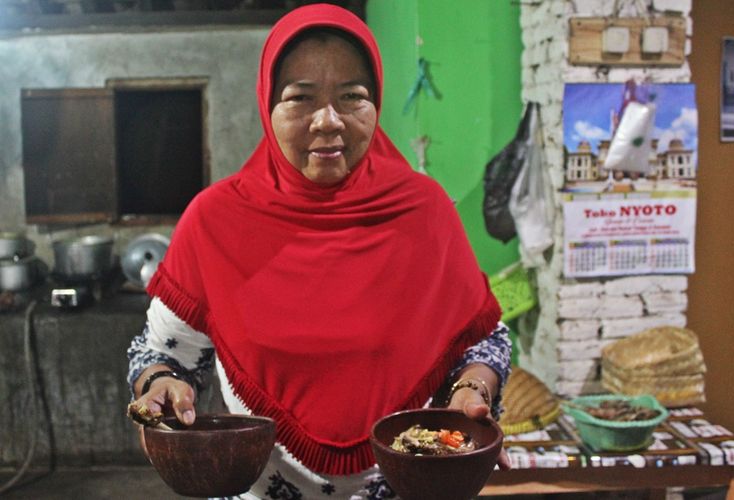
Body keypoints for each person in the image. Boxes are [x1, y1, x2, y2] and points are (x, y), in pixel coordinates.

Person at [127, 4, 512, 498]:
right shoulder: (215, 222)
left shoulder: (425, 212)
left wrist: (471, 391)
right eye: (300, 99)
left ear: (376, 101)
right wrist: (158, 384)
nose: (328, 121)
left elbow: (480, 339)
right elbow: (161, 353)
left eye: (352, 96)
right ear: (268, 105)